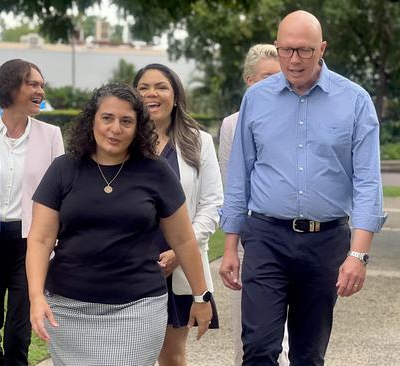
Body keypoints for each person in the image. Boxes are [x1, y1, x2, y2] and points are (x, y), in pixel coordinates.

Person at [219, 10, 386, 366]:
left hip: (326, 242)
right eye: (286, 50)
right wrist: (230, 247)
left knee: (309, 355)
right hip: (265, 237)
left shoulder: (355, 101)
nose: (294, 60)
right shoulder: (257, 99)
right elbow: (239, 177)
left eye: (305, 51)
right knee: (260, 347)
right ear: (277, 48)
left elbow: (368, 182)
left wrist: (358, 256)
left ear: (322, 48)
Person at [26, 83, 213, 366]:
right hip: (68, 308)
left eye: (126, 121)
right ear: (92, 120)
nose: (115, 129)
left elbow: (184, 240)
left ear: (138, 127)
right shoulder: (63, 169)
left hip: (138, 307)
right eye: (107, 118)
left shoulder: (156, 171)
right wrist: (36, 296)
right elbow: (40, 239)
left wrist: (201, 296)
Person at [0, 59, 64, 366]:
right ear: (11, 87)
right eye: (32, 84)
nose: (40, 90)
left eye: (41, 84)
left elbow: (61, 192)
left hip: (30, 240)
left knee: (18, 329)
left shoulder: (51, 135)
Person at [133, 63, 223, 366]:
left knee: (171, 355)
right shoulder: (123, 141)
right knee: (126, 353)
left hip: (180, 265)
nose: (151, 94)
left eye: (160, 86)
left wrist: (179, 253)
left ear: (175, 95)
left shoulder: (199, 142)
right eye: (143, 87)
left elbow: (213, 205)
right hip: (130, 262)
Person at [217, 44, 289, 366]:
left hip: (300, 238)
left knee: (291, 339)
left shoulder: (300, 116)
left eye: (281, 75)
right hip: (253, 240)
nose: (276, 82)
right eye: (266, 77)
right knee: (252, 336)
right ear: (249, 80)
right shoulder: (233, 124)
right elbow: (231, 186)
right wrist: (232, 247)